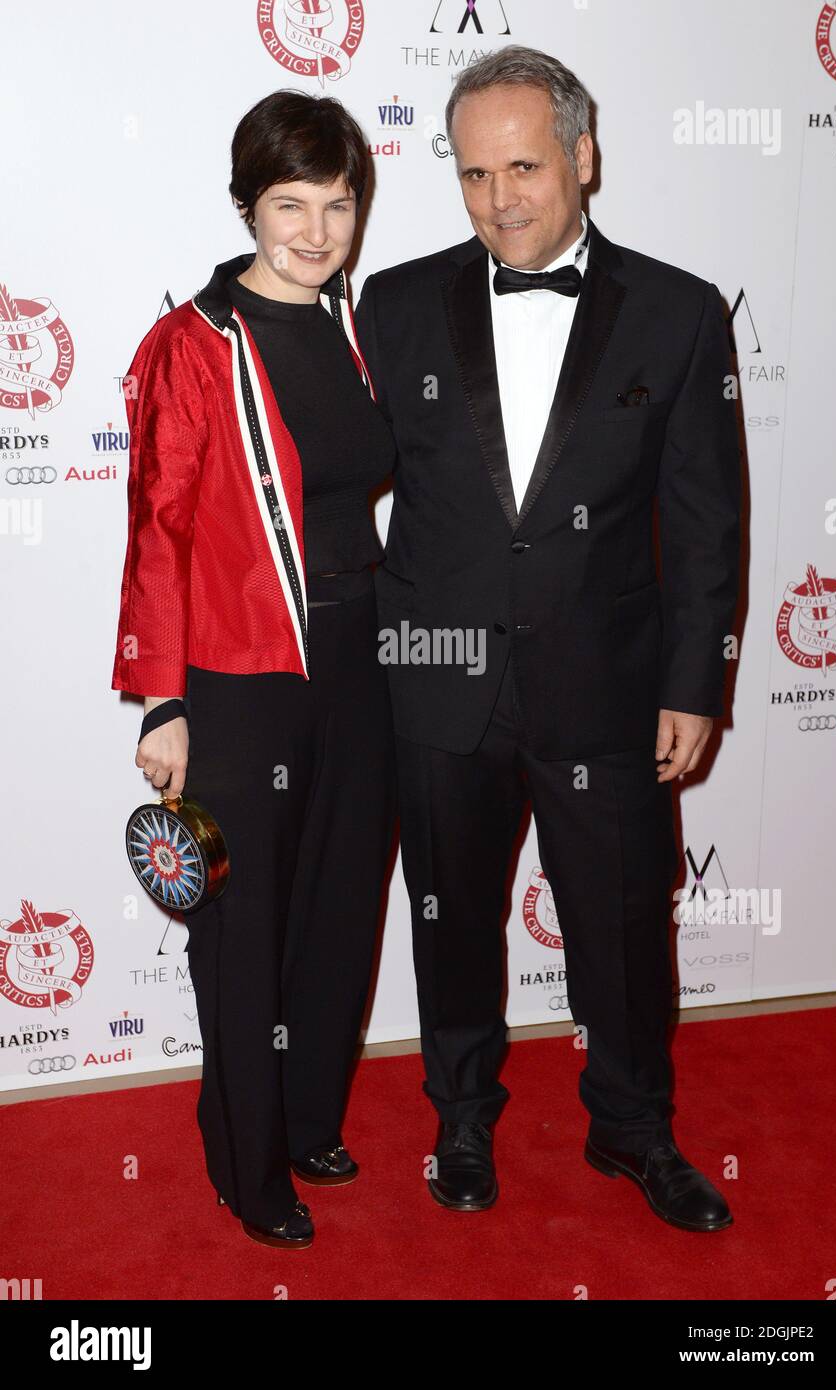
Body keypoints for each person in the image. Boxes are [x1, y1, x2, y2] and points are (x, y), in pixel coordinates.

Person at [355, 46, 740, 1231]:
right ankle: (461, 1116)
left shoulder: (675, 313)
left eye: (522, 166)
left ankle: (632, 1129)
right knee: (452, 915)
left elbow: (706, 518)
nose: (498, 200)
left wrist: (695, 682)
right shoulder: (398, 301)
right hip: (439, 682)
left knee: (623, 926)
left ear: (583, 157)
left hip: (607, 684)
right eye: (473, 174)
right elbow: (338, 479)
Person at [111, 90, 396, 1249]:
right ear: (247, 203)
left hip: (361, 657)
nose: (317, 232)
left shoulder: (352, 327)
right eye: (292, 204)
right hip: (237, 671)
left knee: (339, 899)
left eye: (338, 205)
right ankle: (245, 1160)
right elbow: (157, 529)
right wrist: (164, 696)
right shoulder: (194, 343)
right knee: (242, 920)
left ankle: (310, 1118)